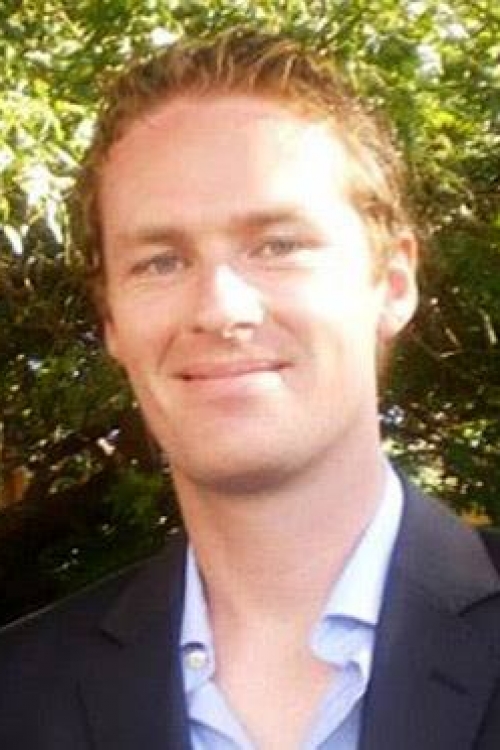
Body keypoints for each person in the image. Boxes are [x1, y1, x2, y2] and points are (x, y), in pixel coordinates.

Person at [1, 29, 499, 750]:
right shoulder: (16, 698)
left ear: (392, 282)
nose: (220, 308)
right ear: (110, 320)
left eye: (278, 245)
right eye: (160, 261)